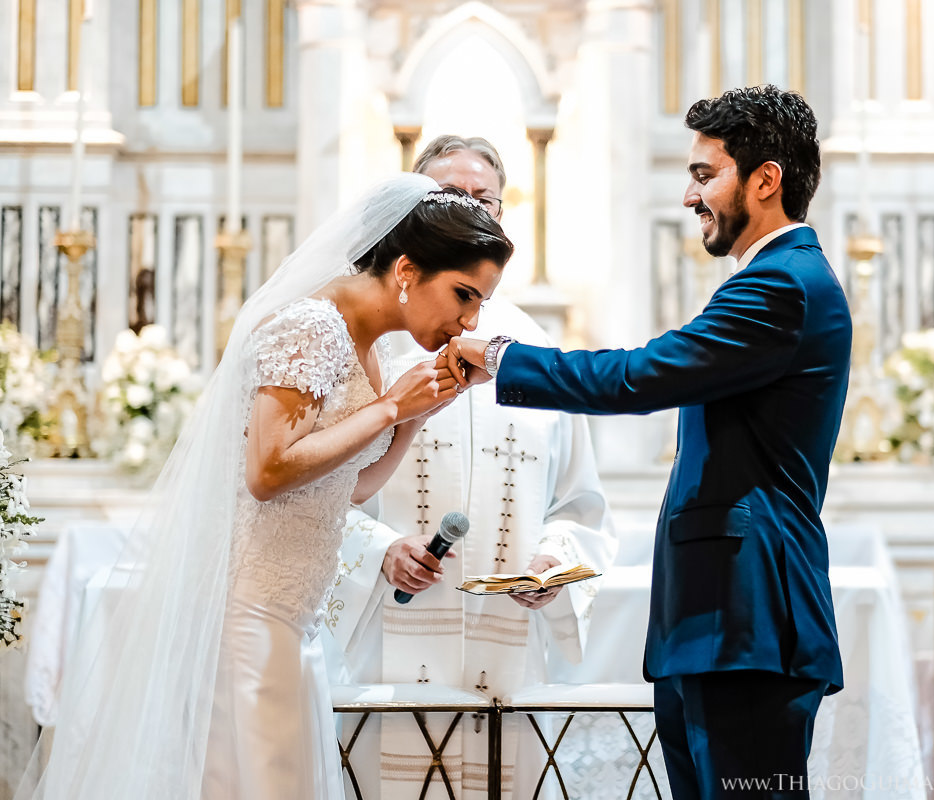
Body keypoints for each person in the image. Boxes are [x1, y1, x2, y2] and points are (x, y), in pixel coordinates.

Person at [17, 174, 514, 800]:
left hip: (294, 619)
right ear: (407, 270)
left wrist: (415, 415)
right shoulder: (311, 325)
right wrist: (389, 407)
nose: (469, 320)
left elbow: (348, 488)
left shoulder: (371, 346)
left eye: (480, 305)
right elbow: (268, 472)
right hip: (247, 615)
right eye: (464, 294)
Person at [445, 85, 852, 799]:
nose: (690, 196)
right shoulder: (776, 279)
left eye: (705, 174)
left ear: (765, 180)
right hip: (722, 621)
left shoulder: (781, 286)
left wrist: (502, 357)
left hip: (748, 619)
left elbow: (639, 377)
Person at [327, 135, 615, 800]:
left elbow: (581, 506)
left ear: (503, 215)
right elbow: (310, 491)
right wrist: (378, 550)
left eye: (483, 200)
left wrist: (554, 564)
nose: (469, 212)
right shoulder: (377, 339)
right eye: (448, 198)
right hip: (387, 635)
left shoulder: (536, 351)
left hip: (506, 646)